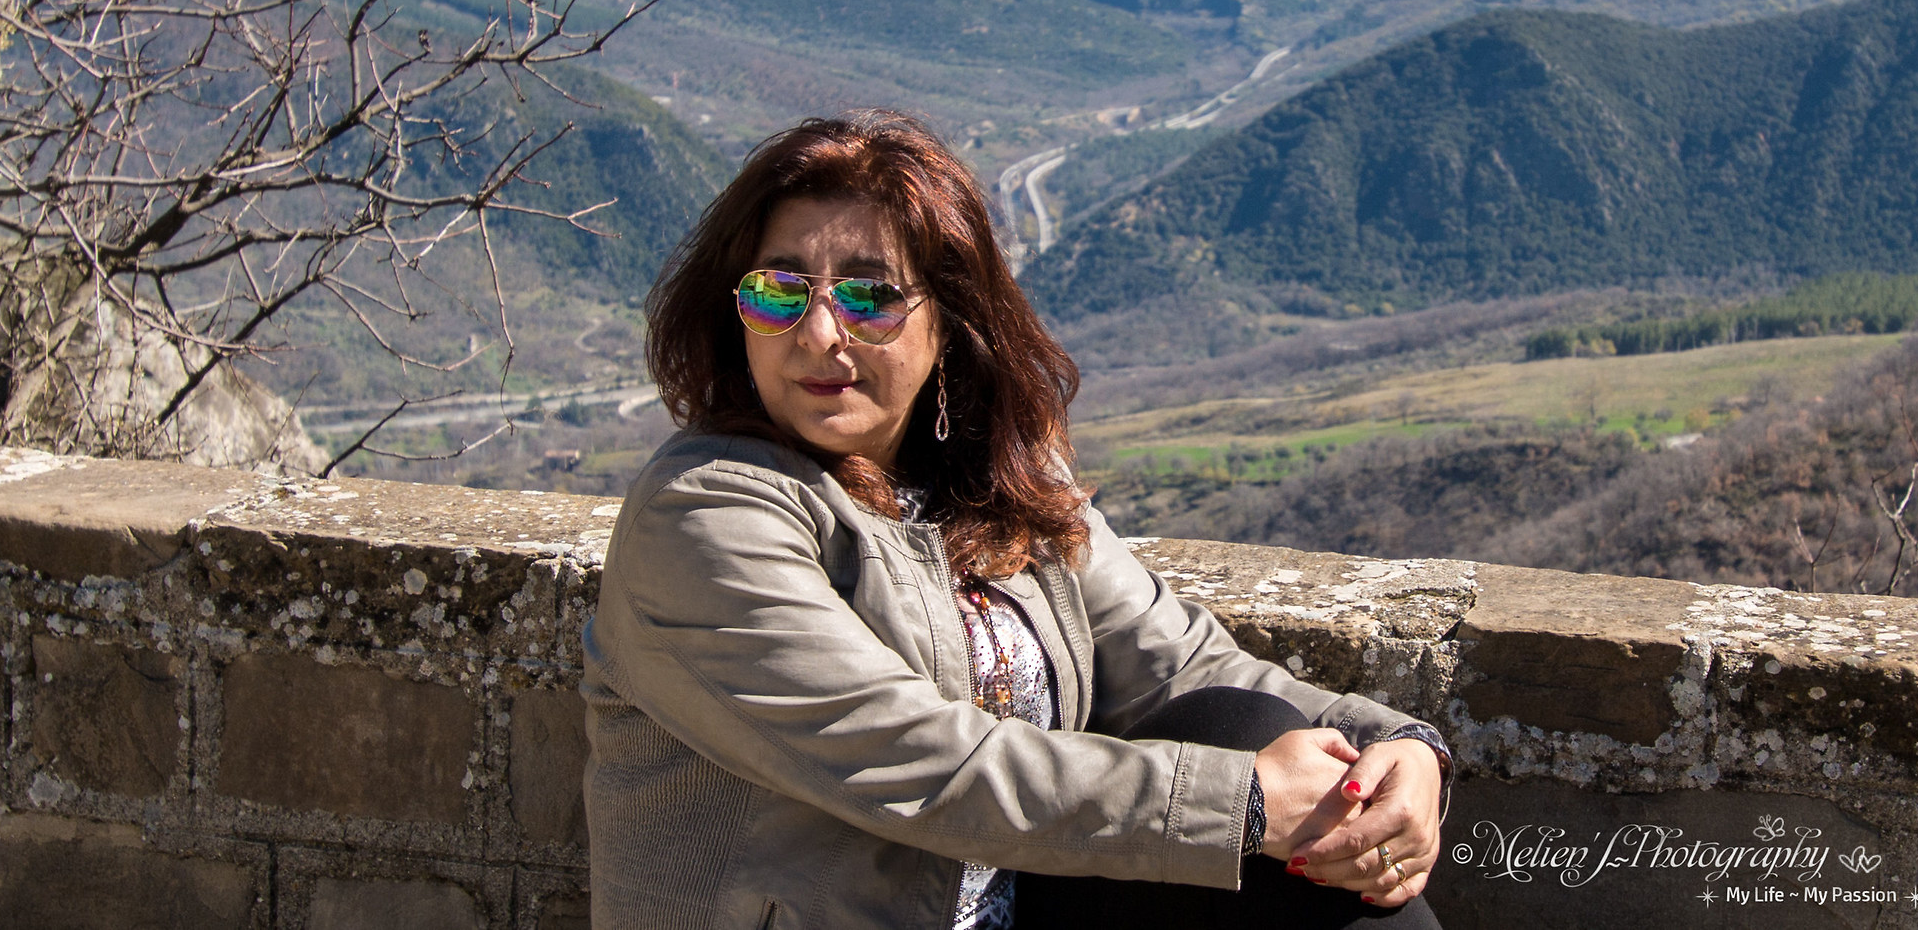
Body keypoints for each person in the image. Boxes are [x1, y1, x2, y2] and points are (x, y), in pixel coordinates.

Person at [581, 111, 1449, 930]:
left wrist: (1395, 750)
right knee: (1252, 776)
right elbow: (921, 763)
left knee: (1248, 731)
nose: (817, 333)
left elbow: (1178, 667)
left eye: (869, 298)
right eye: (777, 293)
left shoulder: (998, 484)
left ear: (948, 325)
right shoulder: (703, 515)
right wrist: (1247, 804)